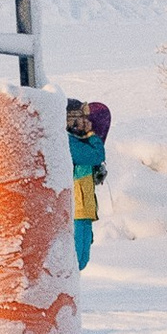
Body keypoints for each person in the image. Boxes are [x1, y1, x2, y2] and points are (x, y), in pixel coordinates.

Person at [66, 99, 107, 269]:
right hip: (78, 209)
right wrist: (92, 135)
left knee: (81, 259)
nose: (84, 122)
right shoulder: (69, 141)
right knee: (77, 260)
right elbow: (97, 154)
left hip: (84, 207)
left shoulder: (76, 141)